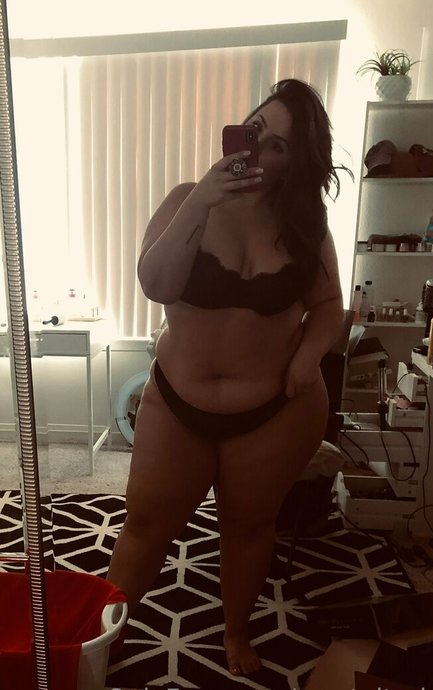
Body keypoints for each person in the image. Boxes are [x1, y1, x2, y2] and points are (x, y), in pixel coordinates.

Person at [107, 78, 346, 677]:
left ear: (297, 163)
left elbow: (328, 307)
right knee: (145, 525)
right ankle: (102, 638)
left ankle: (236, 632)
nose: (259, 150)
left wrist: (308, 357)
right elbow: (156, 284)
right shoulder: (186, 199)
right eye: (256, 130)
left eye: (279, 146)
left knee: (248, 526)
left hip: (274, 409)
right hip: (178, 401)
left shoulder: (306, 225)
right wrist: (202, 200)